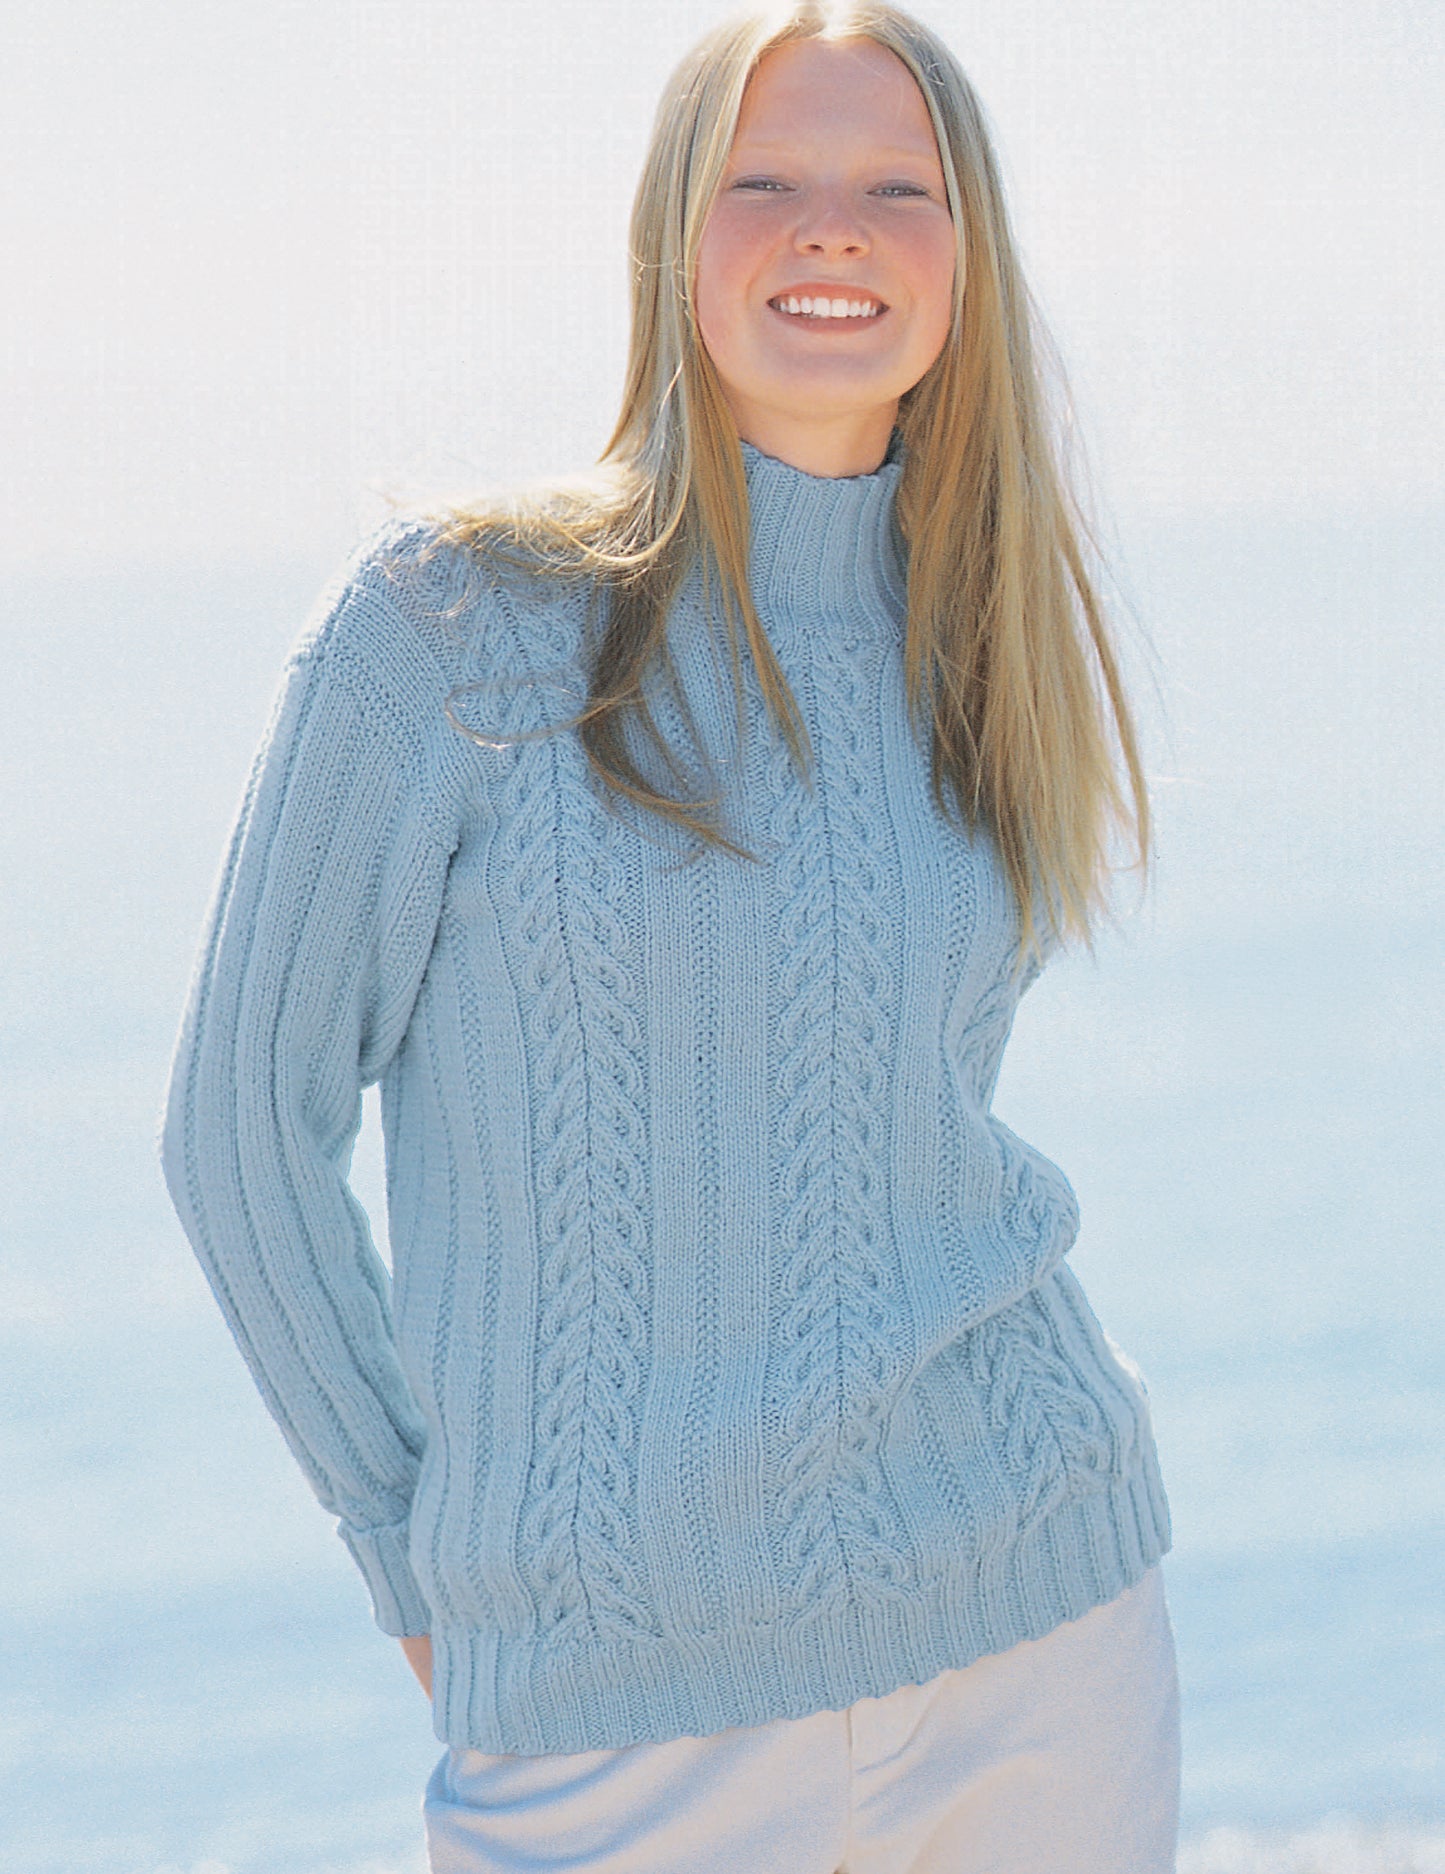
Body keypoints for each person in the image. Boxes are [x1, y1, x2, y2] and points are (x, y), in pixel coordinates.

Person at [160, 3, 1181, 1869]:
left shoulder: (981, 649)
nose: (831, 225)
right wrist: (405, 1549)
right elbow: (237, 1133)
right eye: (762, 180)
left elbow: (894, 1143)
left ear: (968, 260)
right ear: (669, 240)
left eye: (897, 184)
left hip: (1038, 1621)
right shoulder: (455, 631)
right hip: (616, 1711)